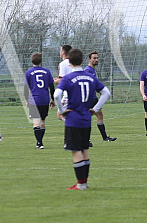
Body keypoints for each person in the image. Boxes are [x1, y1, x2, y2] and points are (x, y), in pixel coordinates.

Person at [54, 48, 111, 190]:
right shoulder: (90, 77)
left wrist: (62, 111)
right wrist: (96, 109)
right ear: (82, 61)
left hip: (73, 119)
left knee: (76, 151)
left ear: (69, 61)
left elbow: (56, 95)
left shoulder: (68, 78)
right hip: (86, 118)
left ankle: (80, 184)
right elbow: (106, 93)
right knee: (85, 149)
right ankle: (84, 183)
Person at [24, 52, 55, 149]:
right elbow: (51, 86)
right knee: (42, 122)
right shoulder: (47, 72)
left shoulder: (28, 73)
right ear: (41, 61)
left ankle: (39, 143)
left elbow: (25, 88)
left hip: (34, 100)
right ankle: (40, 142)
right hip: (44, 100)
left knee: (36, 123)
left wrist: (26, 100)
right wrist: (53, 99)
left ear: (31, 61)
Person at [84, 51, 116, 141]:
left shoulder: (92, 70)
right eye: (94, 58)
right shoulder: (88, 70)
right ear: (89, 59)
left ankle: (105, 137)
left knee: (100, 115)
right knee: (86, 117)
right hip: (89, 98)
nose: (96, 60)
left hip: (94, 98)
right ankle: (86, 139)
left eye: (97, 58)